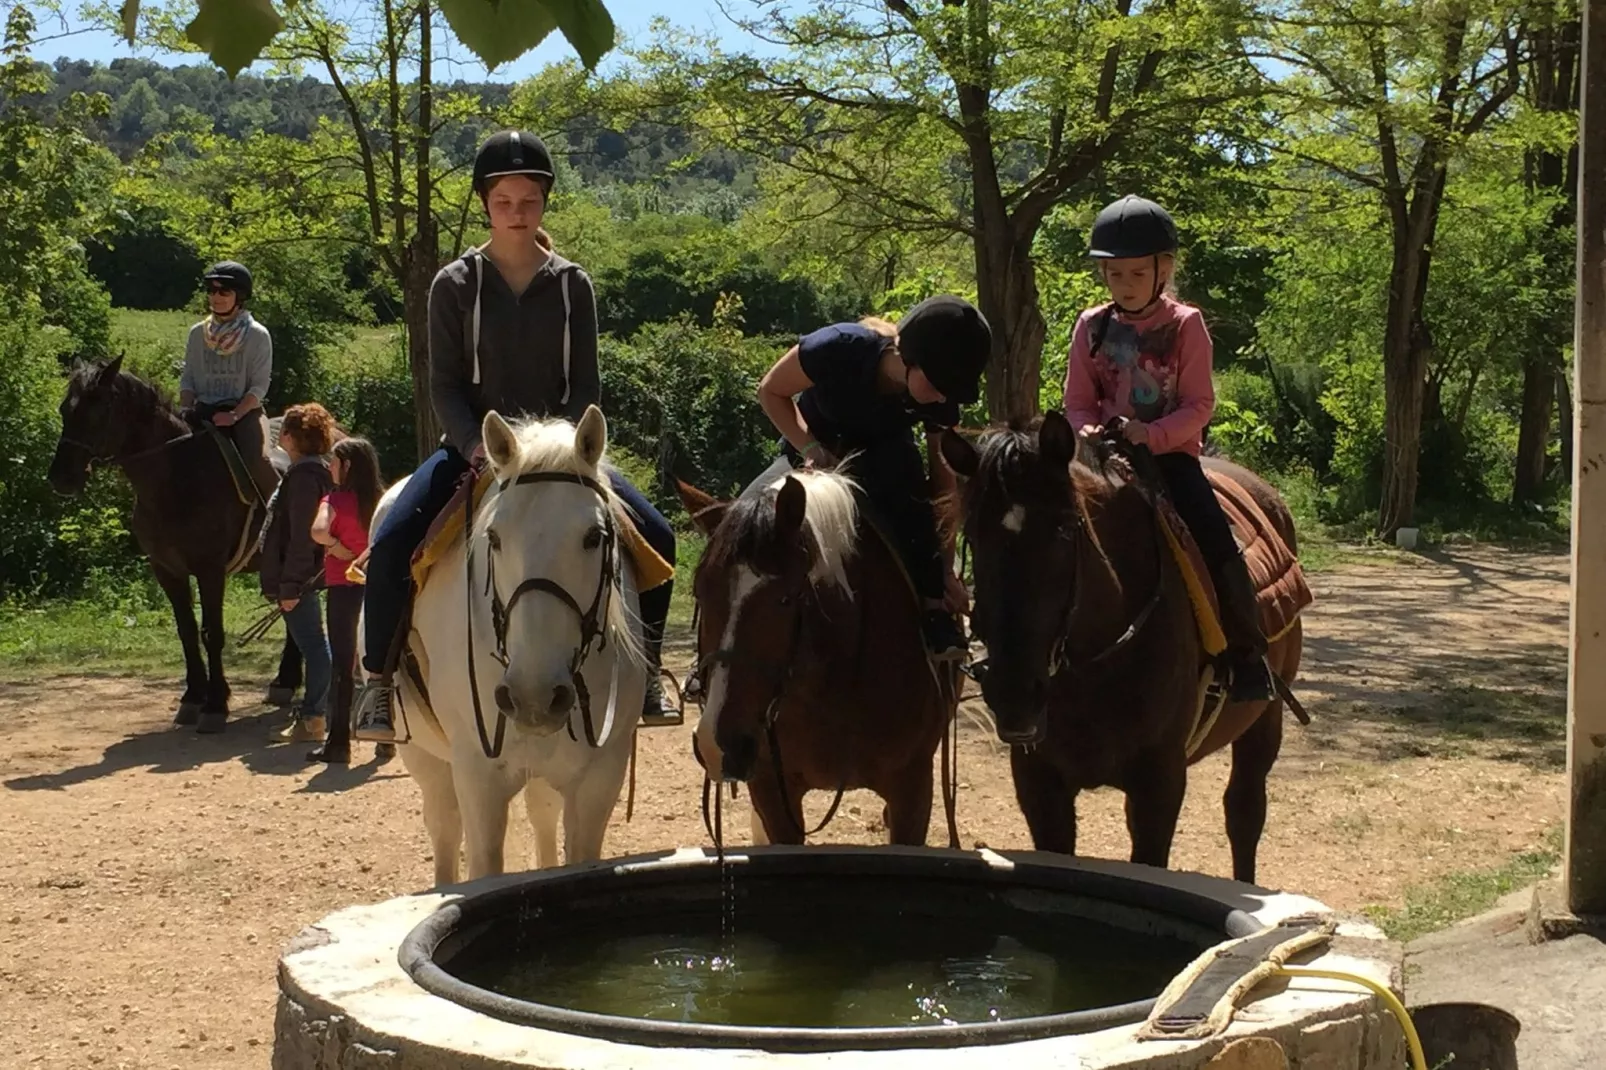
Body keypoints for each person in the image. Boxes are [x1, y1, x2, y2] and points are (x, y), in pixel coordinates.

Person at [351, 129, 680, 742]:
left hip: (557, 455)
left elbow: (585, 383)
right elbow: (443, 385)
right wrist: (477, 445)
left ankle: (651, 671)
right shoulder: (454, 284)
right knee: (394, 540)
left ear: (544, 203)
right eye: (504, 202)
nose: (517, 213)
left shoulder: (572, 284)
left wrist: (569, 447)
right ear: (485, 204)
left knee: (656, 534)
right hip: (477, 449)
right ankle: (377, 682)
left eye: (529, 201)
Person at [1062, 194, 1273, 702]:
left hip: (1171, 457)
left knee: (1214, 537)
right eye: (1114, 275)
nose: (1124, 285)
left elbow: (1199, 405)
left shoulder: (1186, 325)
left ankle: (1246, 655)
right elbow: (1076, 402)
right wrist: (1088, 430)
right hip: (1103, 458)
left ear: (1165, 269)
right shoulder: (1090, 326)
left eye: (1136, 274)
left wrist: (1151, 435)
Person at [754, 297, 991, 662]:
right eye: (940, 383)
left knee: (916, 515)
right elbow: (770, 391)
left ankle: (933, 616)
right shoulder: (838, 346)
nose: (945, 396)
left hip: (885, 461)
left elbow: (943, 483)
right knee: (738, 523)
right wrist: (811, 447)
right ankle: (714, 650)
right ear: (910, 356)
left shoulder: (939, 401)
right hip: (813, 451)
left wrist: (944, 570)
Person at [261, 403, 337, 739]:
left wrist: (290, 584)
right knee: (317, 646)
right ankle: (322, 714)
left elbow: (300, 538)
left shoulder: (305, 478)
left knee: (316, 649)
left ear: (290, 438)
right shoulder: (309, 472)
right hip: (302, 578)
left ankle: (314, 718)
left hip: (299, 580)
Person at [307, 436, 384, 765]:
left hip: (342, 586)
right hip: (376, 585)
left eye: (335, 462)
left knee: (343, 664)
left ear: (347, 466)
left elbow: (318, 530)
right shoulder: (380, 500)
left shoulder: (333, 499)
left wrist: (336, 546)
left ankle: (339, 743)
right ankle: (385, 738)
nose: (330, 467)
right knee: (380, 663)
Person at [180, 260, 279, 502]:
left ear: (240, 296)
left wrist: (234, 415)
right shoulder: (197, 334)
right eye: (212, 291)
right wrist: (183, 409)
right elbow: (188, 378)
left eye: (224, 291)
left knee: (260, 461)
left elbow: (259, 387)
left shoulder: (257, 335)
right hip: (201, 411)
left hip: (244, 414)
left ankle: (281, 515)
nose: (216, 297)